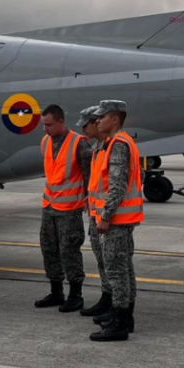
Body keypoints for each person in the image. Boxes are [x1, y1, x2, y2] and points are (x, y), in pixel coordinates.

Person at [87, 100, 144, 342]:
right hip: (121, 218)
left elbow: (117, 186)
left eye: (102, 116)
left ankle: (120, 323)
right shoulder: (114, 143)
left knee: (116, 269)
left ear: (115, 119)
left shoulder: (118, 145)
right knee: (123, 267)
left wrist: (106, 216)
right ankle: (124, 317)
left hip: (117, 219)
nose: (98, 120)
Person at [34, 105, 92, 313]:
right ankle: (56, 292)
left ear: (60, 122)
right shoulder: (45, 142)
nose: (45, 129)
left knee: (69, 251)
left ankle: (76, 295)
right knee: (49, 249)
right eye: (43, 124)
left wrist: (89, 200)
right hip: (49, 205)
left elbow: (89, 175)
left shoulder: (79, 143)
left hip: (69, 208)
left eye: (48, 125)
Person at [74, 104, 114, 319]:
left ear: (97, 122)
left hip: (109, 218)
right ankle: (107, 298)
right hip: (96, 214)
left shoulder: (112, 146)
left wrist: (106, 214)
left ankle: (115, 305)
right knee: (101, 260)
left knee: (112, 263)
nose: (83, 130)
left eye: (86, 124)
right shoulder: (98, 147)